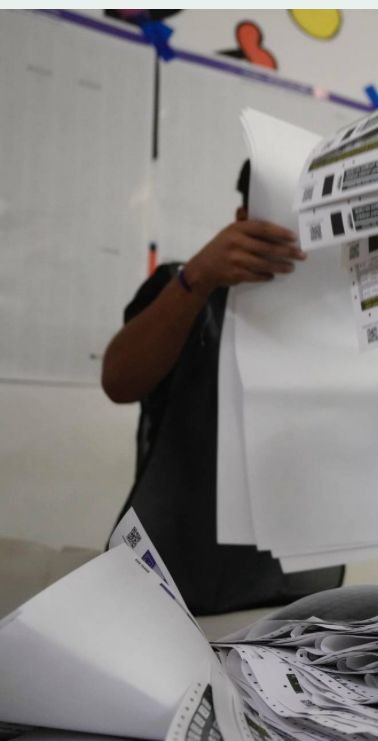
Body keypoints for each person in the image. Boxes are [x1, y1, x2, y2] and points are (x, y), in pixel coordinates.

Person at [101, 162, 345, 615]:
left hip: (296, 590)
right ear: (243, 217)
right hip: (169, 580)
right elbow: (118, 380)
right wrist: (198, 276)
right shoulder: (185, 288)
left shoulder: (338, 313)